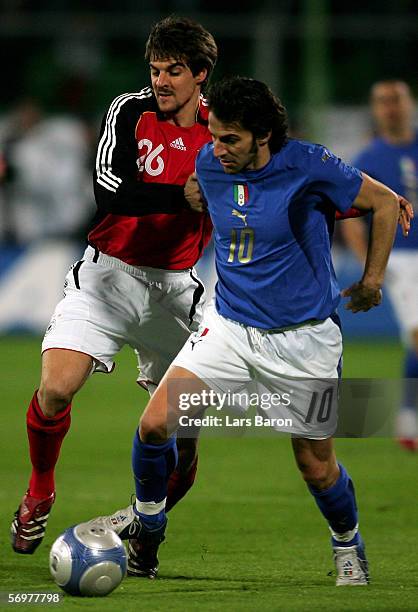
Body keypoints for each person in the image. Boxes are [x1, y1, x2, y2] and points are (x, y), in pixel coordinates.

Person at [91, 76, 404, 586]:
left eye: (229, 138)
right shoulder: (211, 165)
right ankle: (148, 533)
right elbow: (194, 192)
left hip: (304, 341)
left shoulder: (309, 164)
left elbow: (385, 203)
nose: (217, 148)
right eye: (213, 136)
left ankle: (348, 544)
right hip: (230, 325)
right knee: (153, 426)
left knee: (316, 466)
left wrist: (371, 280)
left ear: (263, 136)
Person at [10, 16, 218, 568]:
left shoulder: (223, 129)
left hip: (176, 290)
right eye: (156, 70)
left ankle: (144, 519)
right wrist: (183, 198)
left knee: (184, 434)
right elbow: (110, 193)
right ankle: (40, 490)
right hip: (107, 276)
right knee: (55, 390)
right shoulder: (129, 110)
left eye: (175, 71)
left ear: (201, 75)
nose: (162, 81)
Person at [340, 80, 418, 451]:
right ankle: (408, 417)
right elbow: (353, 218)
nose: (391, 107)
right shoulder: (368, 160)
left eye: (396, 100)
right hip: (401, 260)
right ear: (375, 110)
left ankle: (407, 416)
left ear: (409, 104)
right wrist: (371, 265)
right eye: (383, 102)